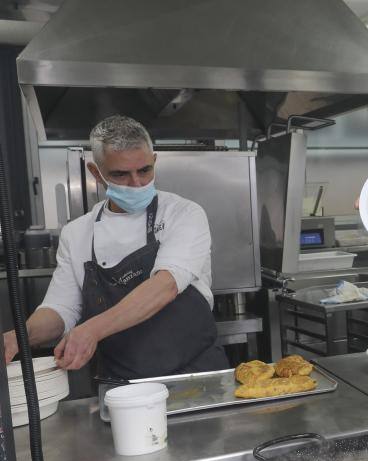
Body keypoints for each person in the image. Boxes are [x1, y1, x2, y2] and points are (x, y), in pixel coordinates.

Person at [3, 115, 228, 378]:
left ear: (154, 161)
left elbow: (165, 286)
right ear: (96, 173)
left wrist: (92, 330)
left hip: (197, 378)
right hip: (122, 387)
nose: (137, 183)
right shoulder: (77, 234)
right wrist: (19, 336)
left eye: (144, 170)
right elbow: (61, 310)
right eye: (120, 174)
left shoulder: (184, 214)